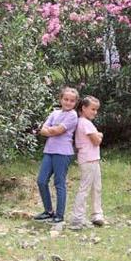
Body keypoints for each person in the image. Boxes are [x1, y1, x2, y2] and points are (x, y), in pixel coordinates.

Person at [35, 86, 79, 224]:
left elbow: (57, 131)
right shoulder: (54, 113)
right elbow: (42, 129)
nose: (68, 102)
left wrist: (50, 130)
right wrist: (50, 130)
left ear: (75, 102)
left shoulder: (72, 115)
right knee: (41, 181)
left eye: (72, 100)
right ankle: (48, 211)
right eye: (65, 99)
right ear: (61, 99)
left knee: (59, 183)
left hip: (63, 153)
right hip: (49, 151)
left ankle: (59, 215)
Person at [69, 96, 105, 230]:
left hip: (93, 159)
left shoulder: (86, 123)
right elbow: (96, 141)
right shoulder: (85, 123)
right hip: (88, 159)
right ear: (83, 108)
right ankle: (77, 217)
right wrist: (99, 135)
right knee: (85, 188)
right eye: (92, 109)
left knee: (97, 187)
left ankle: (97, 214)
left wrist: (97, 135)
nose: (95, 112)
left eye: (96, 110)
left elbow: (95, 138)